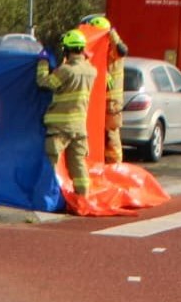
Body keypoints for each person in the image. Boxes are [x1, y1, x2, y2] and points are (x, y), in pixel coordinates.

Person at [37, 29, 99, 196]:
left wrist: (43, 62)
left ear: (66, 50)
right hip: (79, 128)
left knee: (51, 164)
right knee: (78, 165)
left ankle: (48, 198)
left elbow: (44, 83)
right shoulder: (91, 71)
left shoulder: (67, 70)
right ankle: (83, 197)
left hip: (60, 128)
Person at [85, 14, 131, 165]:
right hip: (101, 102)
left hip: (111, 103)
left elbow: (122, 50)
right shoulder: (103, 53)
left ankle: (115, 167)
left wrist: (111, 33)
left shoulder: (114, 51)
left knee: (111, 137)